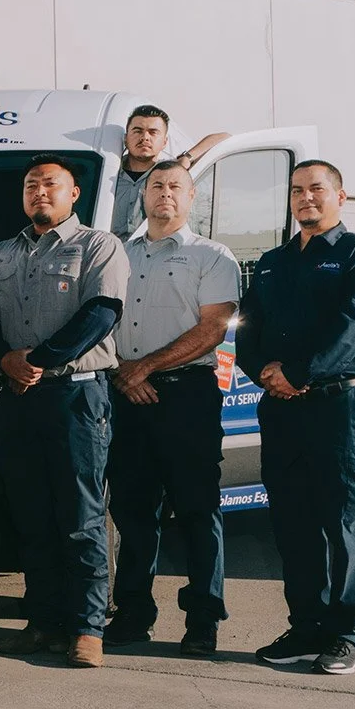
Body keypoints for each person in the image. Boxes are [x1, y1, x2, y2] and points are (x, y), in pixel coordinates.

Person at [236, 160, 355, 676]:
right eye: (297, 191)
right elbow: (248, 328)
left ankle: (346, 635)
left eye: (317, 189)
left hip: (340, 407)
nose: (306, 198)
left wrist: (300, 371)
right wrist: (262, 373)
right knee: (293, 523)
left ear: (341, 198)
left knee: (346, 521)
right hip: (281, 408)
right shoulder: (273, 262)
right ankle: (305, 627)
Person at [0, 155, 129, 668]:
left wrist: (36, 362)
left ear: (73, 195)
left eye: (50, 184)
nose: (39, 191)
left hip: (75, 396)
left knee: (81, 515)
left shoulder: (99, 247)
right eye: (30, 185)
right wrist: (4, 360)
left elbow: (100, 315)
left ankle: (87, 629)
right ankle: (42, 622)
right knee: (32, 515)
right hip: (18, 399)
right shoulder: (0, 254)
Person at [104, 162, 241, 658]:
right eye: (157, 186)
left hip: (186, 396)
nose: (165, 194)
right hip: (125, 394)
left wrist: (145, 369)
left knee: (197, 510)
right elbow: (101, 319)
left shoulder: (212, 255)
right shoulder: (118, 252)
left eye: (175, 187)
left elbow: (212, 329)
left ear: (191, 197)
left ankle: (203, 619)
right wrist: (126, 371)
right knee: (132, 510)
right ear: (144, 196)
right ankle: (133, 612)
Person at [110, 105, 229, 239]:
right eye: (138, 131)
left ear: (165, 141)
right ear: (126, 138)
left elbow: (225, 138)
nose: (145, 138)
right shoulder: (108, 173)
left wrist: (187, 158)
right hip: (109, 256)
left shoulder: (172, 173)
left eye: (153, 132)